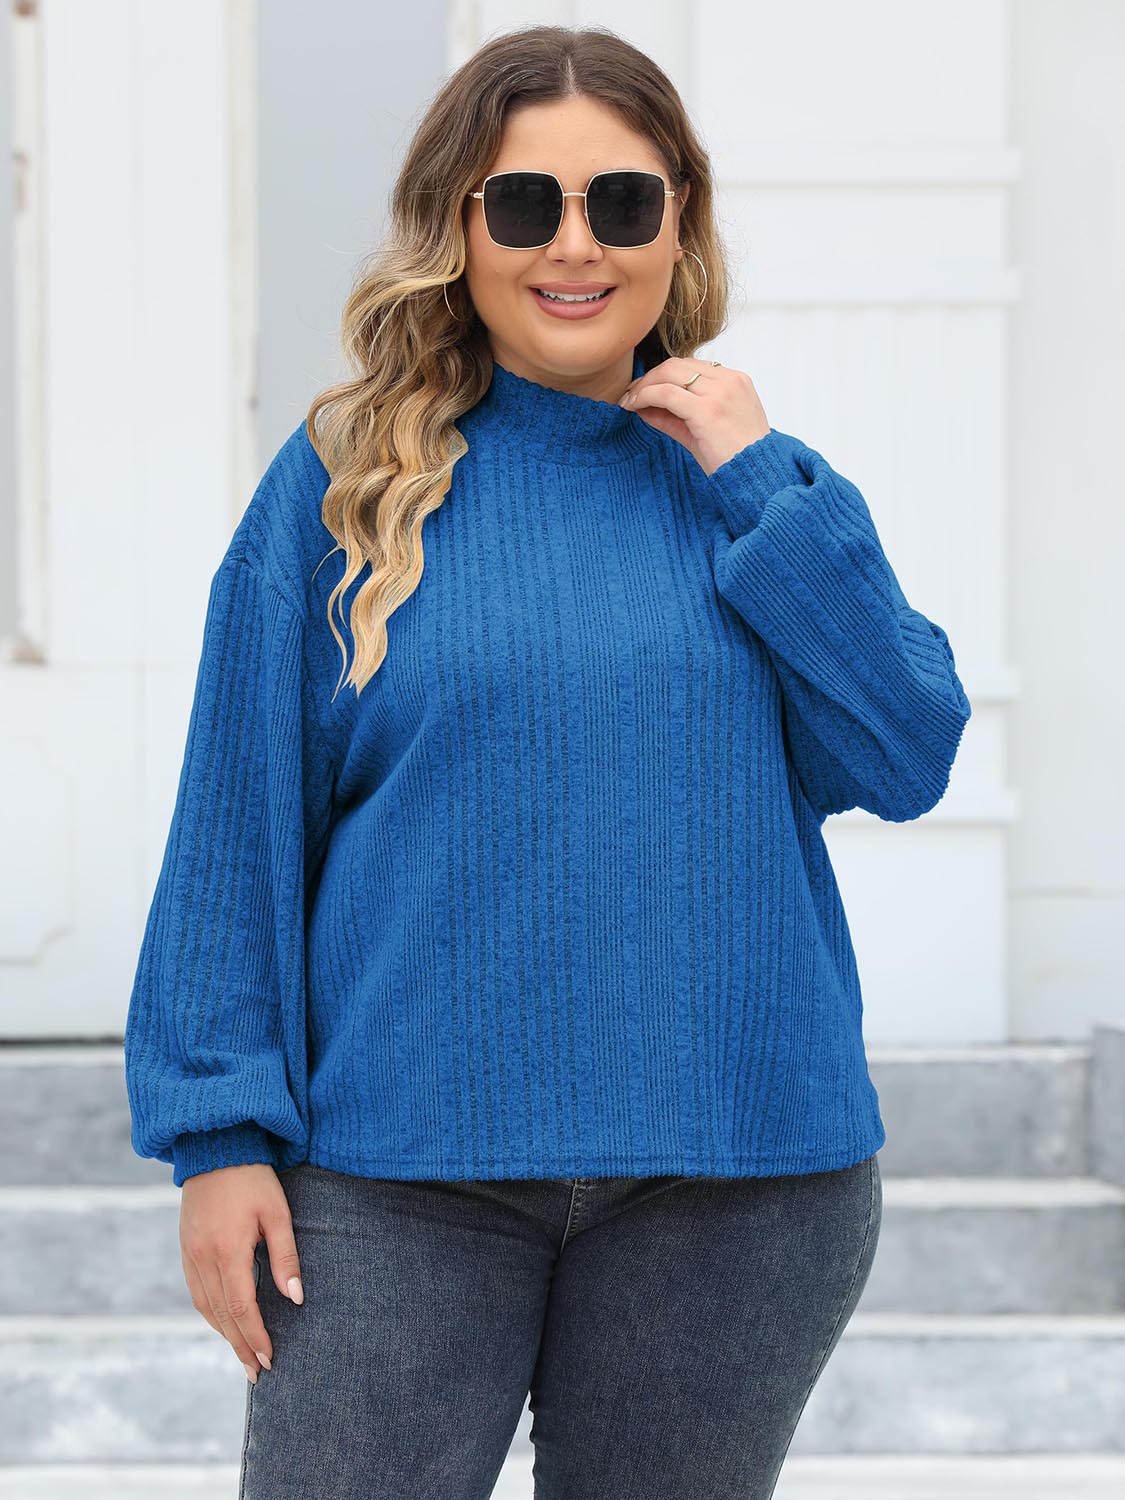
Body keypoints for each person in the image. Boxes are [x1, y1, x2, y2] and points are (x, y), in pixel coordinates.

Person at [123, 23, 971, 1500]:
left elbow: (903, 752)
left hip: (736, 1184)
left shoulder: (756, 492)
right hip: (397, 1177)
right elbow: (235, 829)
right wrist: (218, 1139)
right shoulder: (342, 485)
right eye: (524, 204)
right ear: (457, 227)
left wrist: (757, 482)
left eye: (621, 203)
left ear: (677, 224)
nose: (574, 245)